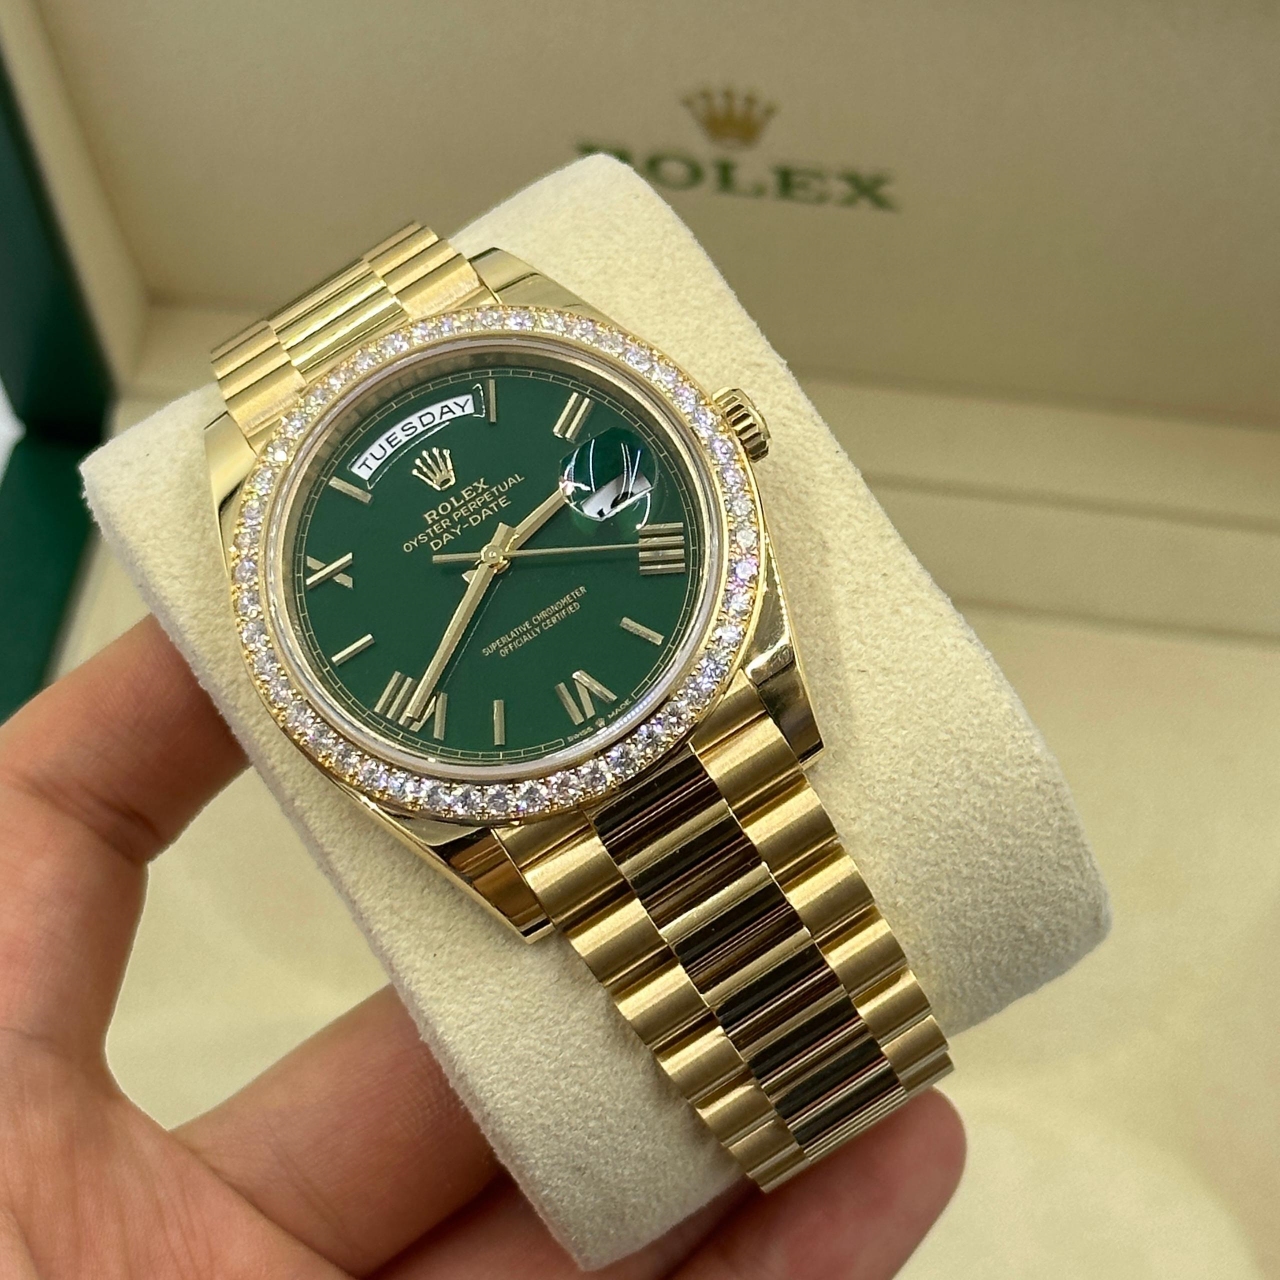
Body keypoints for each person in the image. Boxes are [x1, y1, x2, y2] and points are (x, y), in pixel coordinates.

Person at [0, 617, 965, 1278]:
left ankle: (824, 1075)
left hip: (695, 714)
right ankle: (819, 1080)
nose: (492, 558)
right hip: (539, 820)